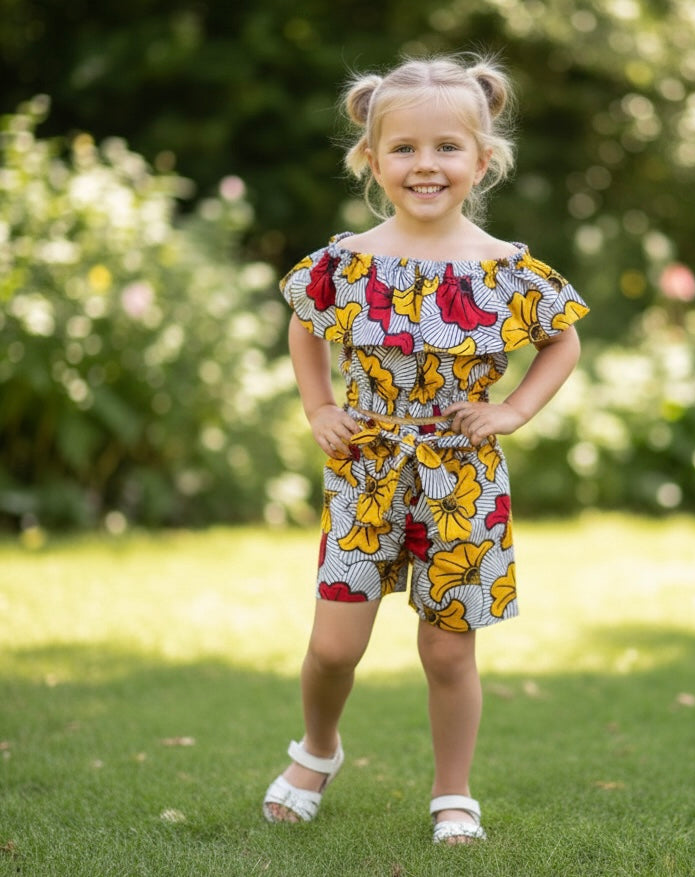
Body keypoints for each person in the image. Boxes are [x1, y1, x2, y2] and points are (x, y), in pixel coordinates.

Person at [263, 53, 589, 844]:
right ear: (371, 159)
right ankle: (317, 749)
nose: (425, 164)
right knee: (332, 646)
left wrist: (513, 408)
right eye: (404, 148)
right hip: (366, 469)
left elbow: (562, 342)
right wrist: (319, 404)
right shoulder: (347, 262)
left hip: (461, 477)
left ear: (482, 159)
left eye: (447, 147)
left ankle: (452, 792)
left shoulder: (505, 270)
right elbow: (305, 327)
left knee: (447, 653)